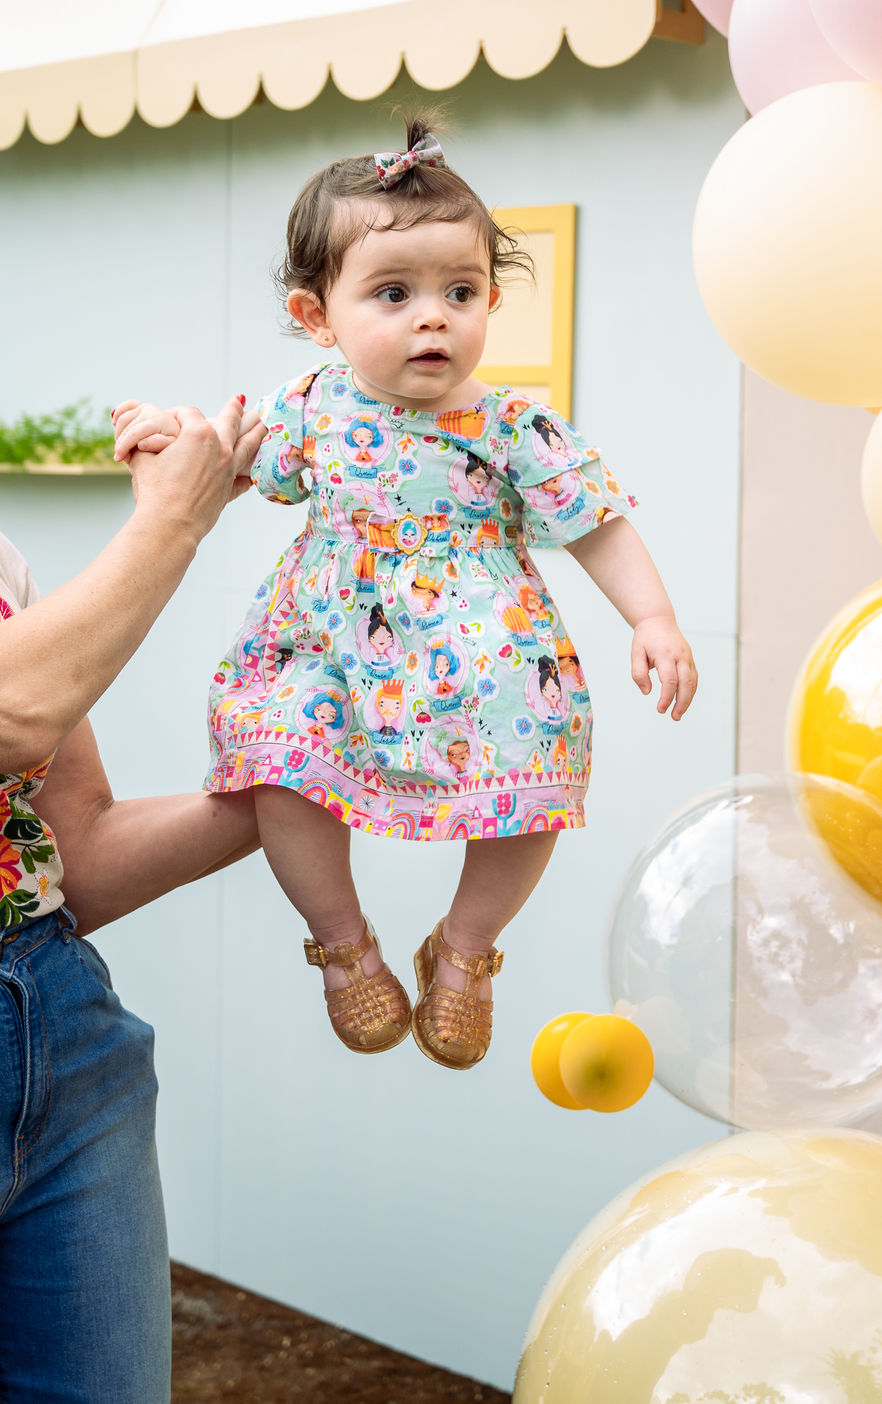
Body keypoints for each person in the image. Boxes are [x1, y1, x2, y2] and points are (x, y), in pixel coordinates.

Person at [115, 117, 698, 1074]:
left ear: (490, 302)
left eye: (458, 292)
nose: (433, 317)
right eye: (394, 293)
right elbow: (224, 467)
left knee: (538, 761)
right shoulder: (313, 406)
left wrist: (654, 617)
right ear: (319, 317)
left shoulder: (516, 425)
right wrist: (166, 432)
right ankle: (344, 942)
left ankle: (466, 948)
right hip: (331, 643)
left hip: (483, 647)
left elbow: (595, 521)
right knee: (285, 752)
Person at [0, 397, 265, 1404]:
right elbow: (12, 711)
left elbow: (83, 851)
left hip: (63, 1034)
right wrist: (171, 522)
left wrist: (301, 786)